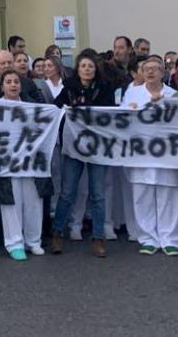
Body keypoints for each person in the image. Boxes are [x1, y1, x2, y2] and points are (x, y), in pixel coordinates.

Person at [50, 52, 113, 258]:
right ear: (78, 69)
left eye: (90, 66)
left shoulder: (104, 88)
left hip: (97, 146)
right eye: (83, 66)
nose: (87, 69)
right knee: (67, 192)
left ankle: (98, 237)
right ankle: (57, 233)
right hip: (74, 146)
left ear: (96, 70)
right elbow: (55, 109)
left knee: (98, 194)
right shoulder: (69, 88)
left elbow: (111, 113)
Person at [122, 56, 178, 256]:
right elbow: (120, 120)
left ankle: (170, 239)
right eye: (146, 69)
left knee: (168, 196)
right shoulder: (132, 93)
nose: (150, 72)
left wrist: (163, 104)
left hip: (166, 153)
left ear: (162, 73)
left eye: (154, 69)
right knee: (142, 196)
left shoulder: (172, 94)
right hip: (140, 153)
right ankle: (148, 239)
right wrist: (129, 111)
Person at [0, 69, 48, 260]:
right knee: (11, 203)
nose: (13, 85)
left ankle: (33, 241)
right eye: (8, 82)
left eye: (16, 81)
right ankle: (14, 243)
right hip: (7, 163)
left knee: (33, 201)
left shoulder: (32, 108)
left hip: (30, 162)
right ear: (2, 86)